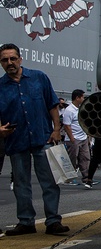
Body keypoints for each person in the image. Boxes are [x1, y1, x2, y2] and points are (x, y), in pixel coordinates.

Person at [0, 43, 70, 236]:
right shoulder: (0, 86)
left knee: (49, 182)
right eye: (5, 60)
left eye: (13, 58)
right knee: (21, 184)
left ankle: (53, 221)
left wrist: (56, 129)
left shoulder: (39, 78)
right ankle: (25, 222)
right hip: (16, 141)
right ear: (1, 63)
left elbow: (52, 105)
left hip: (43, 137)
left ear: (20, 59)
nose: (10, 63)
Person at [61, 89, 90, 185]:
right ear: (77, 98)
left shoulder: (81, 108)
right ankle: (69, 178)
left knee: (85, 157)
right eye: (82, 97)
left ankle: (86, 177)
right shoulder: (69, 110)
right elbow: (67, 125)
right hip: (74, 138)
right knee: (72, 158)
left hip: (83, 137)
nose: (83, 99)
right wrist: (72, 138)